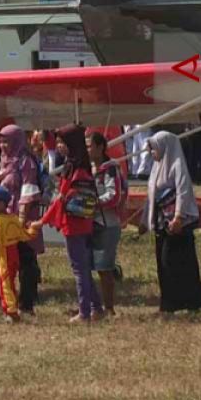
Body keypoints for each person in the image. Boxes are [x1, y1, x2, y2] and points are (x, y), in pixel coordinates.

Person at [137, 130, 201, 313]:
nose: (152, 153)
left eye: (154, 149)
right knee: (163, 264)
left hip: (178, 225)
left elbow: (183, 192)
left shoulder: (177, 165)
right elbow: (151, 197)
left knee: (179, 263)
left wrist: (178, 216)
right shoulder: (156, 168)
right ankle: (169, 303)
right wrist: (144, 221)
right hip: (162, 225)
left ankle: (196, 300)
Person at [36, 124, 104, 323]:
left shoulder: (72, 168)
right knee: (83, 267)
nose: (59, 147)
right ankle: (96, 308)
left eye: (62, 143)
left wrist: (42, 221)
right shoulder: (81, 165)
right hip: (85, 222)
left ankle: (84, 312)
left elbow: (60, 199)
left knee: (79, 270)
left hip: (73, 224)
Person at [0, 124, 43, 316]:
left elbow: (28, 190)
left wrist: (20, 221)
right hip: (5, 219)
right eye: (2, 141)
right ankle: (8, 298)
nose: (3, 145)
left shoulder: (25, 161)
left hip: (21, 219)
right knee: (8, 260)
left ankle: (27, 303)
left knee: (26, 260)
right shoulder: (4, 161)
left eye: (7, 141)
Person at [0, 186, 37, 323]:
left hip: (4, 256)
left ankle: (12, 312)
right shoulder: (13, 218)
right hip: (14, 255)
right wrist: (33, 229)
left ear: (1, 204)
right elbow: (24, 236)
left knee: (5, 285)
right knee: (10, 282)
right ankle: (10, 309)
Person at [90, 131, 127, 316]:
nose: (87, 149)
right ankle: (92, 306)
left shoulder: (110, 168)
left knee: (104, 268)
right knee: (89, 266)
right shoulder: (89, 169)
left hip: (107, 224)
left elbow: (114, 195)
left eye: (90, 145)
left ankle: (109, 307)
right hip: (92, 223)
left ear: (100, 147)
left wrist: (93, 204)